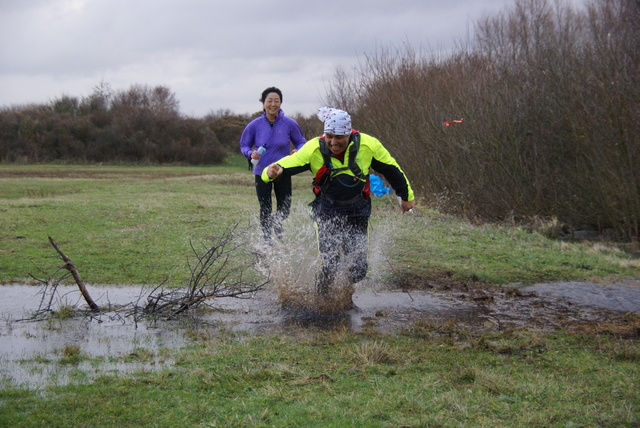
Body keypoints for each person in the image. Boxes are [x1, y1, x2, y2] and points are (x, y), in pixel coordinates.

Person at [263, 107, 415, 295]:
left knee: (358, 270)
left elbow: (392, 169)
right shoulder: (313, 148)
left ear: (349, 134)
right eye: (329, 136)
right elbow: (281, 165)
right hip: (326, 211)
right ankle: (323, 300)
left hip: (357, 211)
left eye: (339, 137)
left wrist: (406, 197)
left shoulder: (368, 145)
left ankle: (344, 297)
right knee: (330, 264)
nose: (333, 143)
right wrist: (270, 173)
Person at [239, 87, 307, 241]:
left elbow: (302, 142)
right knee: (265, 208)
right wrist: (250, 154)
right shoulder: (254, 125)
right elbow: (244, 145)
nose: (273, 104)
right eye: (269, 101)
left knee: (285, 209)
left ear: (281, 103)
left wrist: (298, 150)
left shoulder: (290, 124)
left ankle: (276, 223)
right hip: (262, 171)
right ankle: (267, 240)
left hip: (283, 170)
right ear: (263, 103)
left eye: (276, 101)